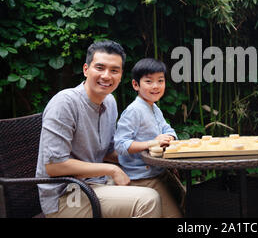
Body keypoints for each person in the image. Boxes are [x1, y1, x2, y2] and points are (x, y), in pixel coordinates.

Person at [36, 40, 162, 218]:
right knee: (147, 200)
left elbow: (110, 150)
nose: (106, 76)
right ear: (86, 69)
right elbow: (55, 166)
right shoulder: (65, 103)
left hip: (98, 184)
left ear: (120, 75)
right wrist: (111, 170)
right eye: (100, 68)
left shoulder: (109, 102)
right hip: (68, 196)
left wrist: (150, 153)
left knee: (156, 182)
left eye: (114, 70)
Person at [114, 58, 184, 218]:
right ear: (135, 85)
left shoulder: (154, 107)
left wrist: (171, 137)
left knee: (187, 200)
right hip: (141, 177)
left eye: (160, 80)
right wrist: (153, 142)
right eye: (149, 81)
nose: (156, 86)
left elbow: (167, 128)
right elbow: (120, 145)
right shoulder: (134, 111)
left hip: (159, 171)